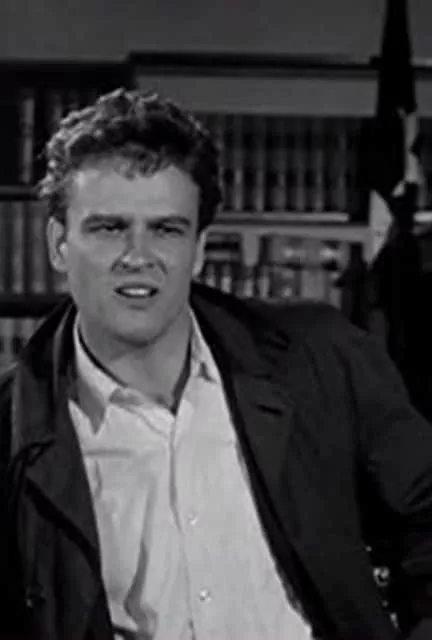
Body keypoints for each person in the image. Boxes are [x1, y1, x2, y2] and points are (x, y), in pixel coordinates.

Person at [1, 88, 432, 640]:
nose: (138, 257)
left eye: (166, 229)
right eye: (109, 228)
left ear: (200, 248)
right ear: (59, 244)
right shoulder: (11, 434)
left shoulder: (321, 360)